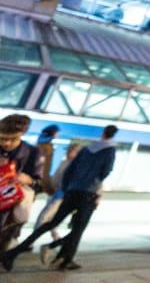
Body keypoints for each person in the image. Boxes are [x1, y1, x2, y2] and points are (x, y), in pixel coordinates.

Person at [3, 124, 119, 271]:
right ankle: (60, 254)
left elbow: (70, 169)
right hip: (89, 193)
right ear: (113, 135)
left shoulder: (86, 149)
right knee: (78, 229)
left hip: (72, 191)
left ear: (103, 132)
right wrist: (95, 188)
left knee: (51, 223)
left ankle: (14, 253)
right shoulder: (110, 150)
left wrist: (67, 188)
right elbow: (105, 171)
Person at [0, 114, 43, 252]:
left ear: (22, 134)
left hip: (10, 211)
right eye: (2, 138)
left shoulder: (33, 153)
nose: (7, 143)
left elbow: (39, 184)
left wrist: (28, 180)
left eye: (13, 139)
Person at [34, 143, 81, 242]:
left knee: (45, 216)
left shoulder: (77, 165)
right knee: (52, 218)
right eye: (68, 151)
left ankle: (31, 240)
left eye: (71, 151)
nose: (67, 153)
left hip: (62, 195)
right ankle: (56, 238)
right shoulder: (64, 162)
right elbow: (56, 177)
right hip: (56, 193)